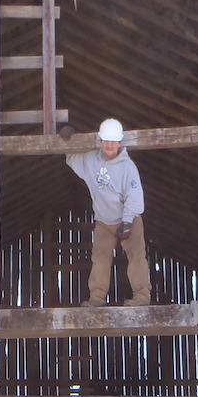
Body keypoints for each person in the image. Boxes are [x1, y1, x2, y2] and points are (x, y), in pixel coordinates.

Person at [66, 118, 151, 306]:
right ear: (100, 141)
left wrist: (127, 222)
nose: (109, 145)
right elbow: (71, 159)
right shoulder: (90, 161)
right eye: (106, 141)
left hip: (129, 219)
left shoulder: (128, 167)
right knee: (100, 257)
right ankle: (96, 298)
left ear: (120, 142)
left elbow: (134, 197)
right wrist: (67, 141)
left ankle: (142, 297)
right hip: (104, 221)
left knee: (136, 256)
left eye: (113, 141)